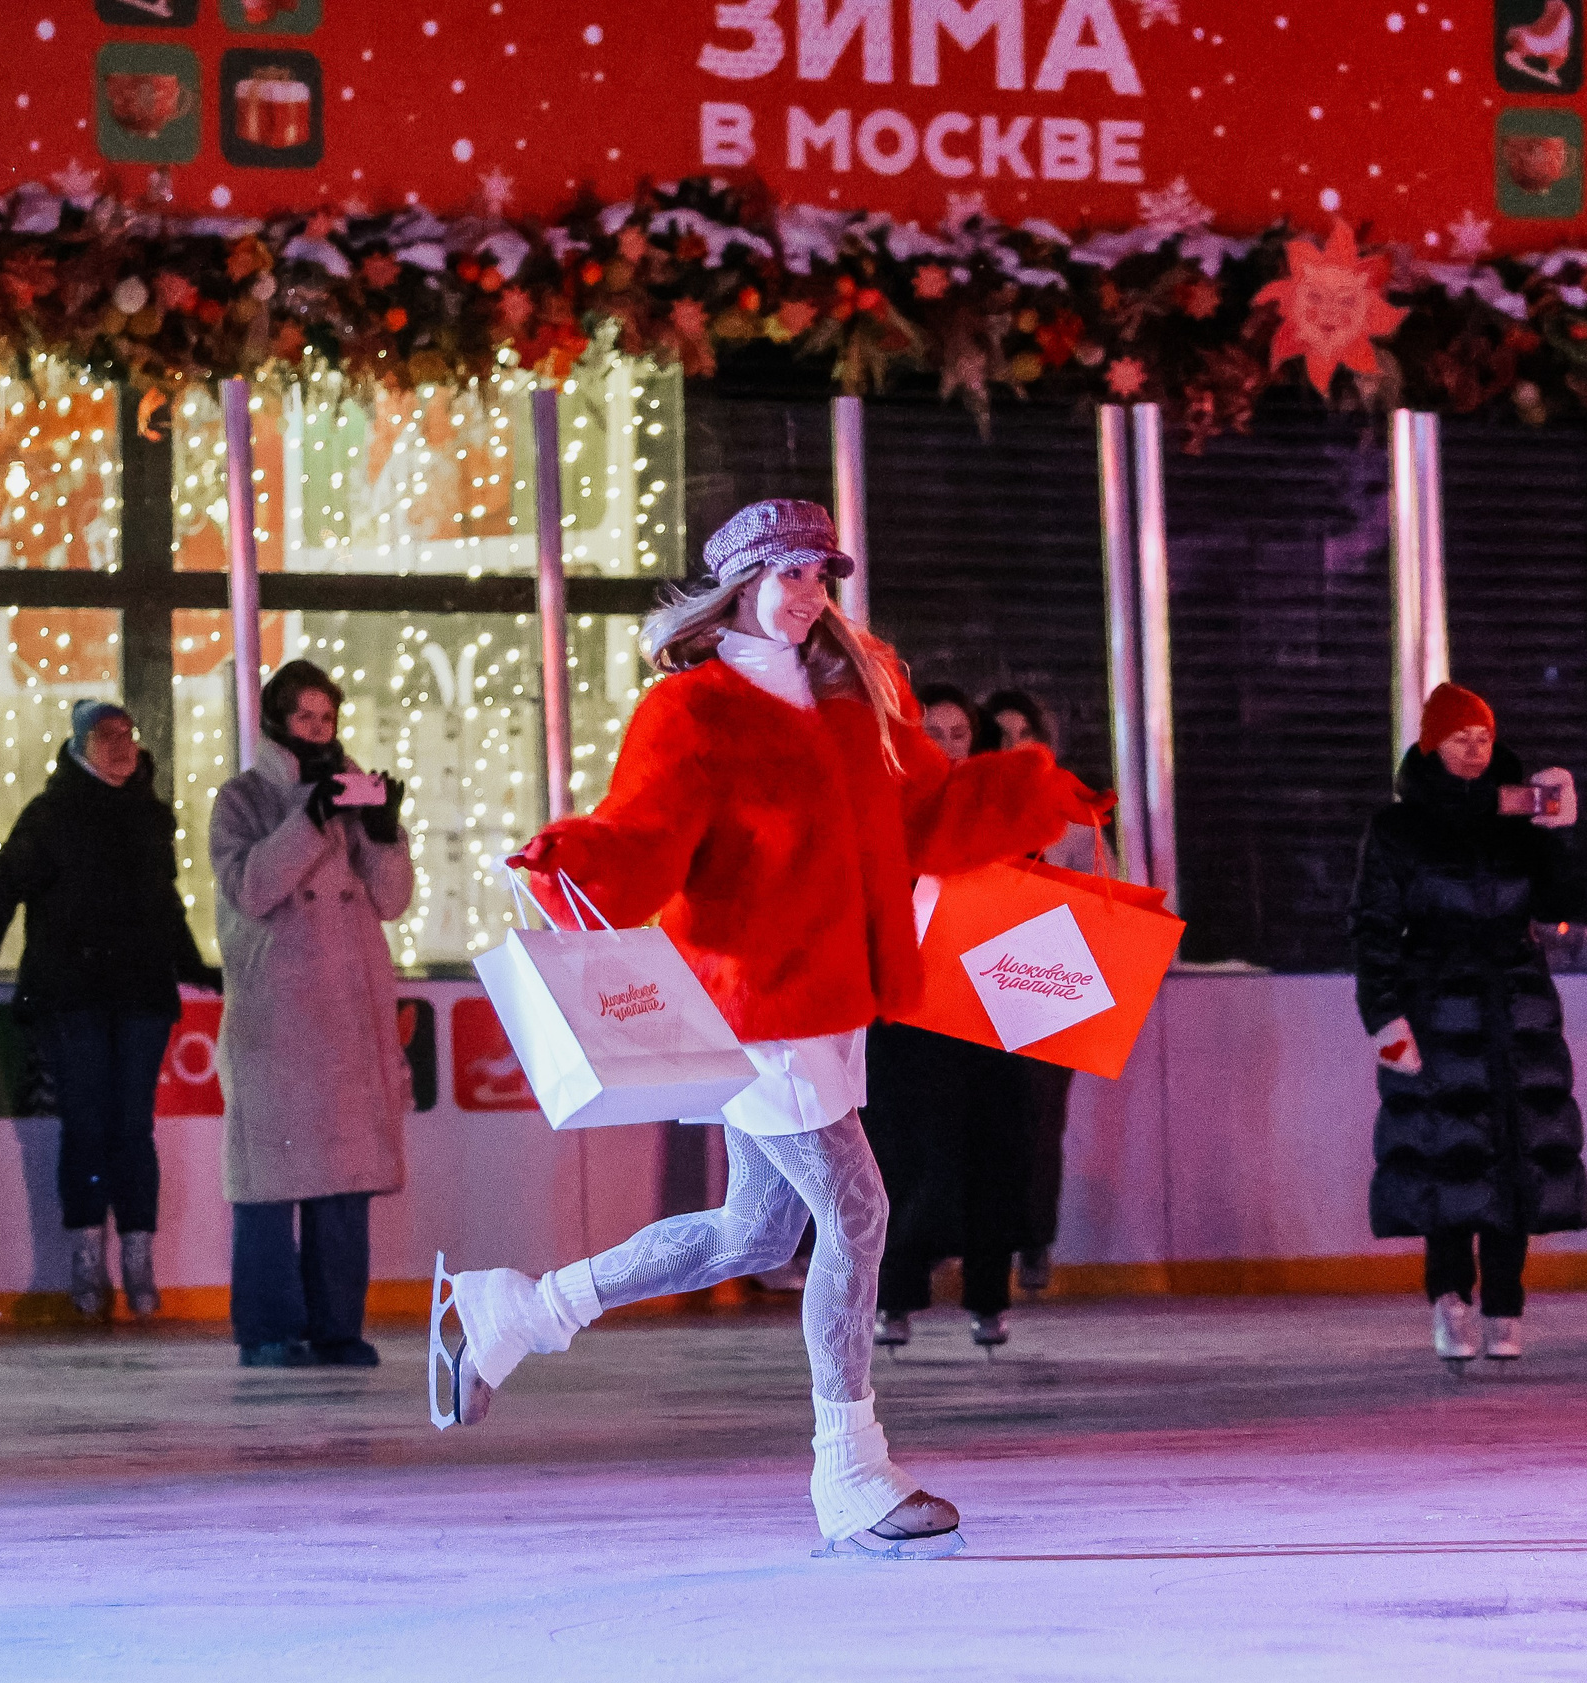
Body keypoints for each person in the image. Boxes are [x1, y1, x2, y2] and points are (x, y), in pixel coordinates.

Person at [431, 500, 1108, 1560]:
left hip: (833, 1003)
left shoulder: (851, 698)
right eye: (786, 571)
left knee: (754, 1234)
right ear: (738, 582)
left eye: (819, 573)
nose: (806, 592)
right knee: (857, 1216)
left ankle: (519, 1311)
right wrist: (578, 859)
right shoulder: (694, 711)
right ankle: (850, 1470)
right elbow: (643, 835)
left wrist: (1025, 793)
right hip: (755, 1005)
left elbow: (924, 819)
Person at [0, 700, 217, 1322]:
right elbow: (0, 890)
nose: (122, 746)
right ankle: (87, 1259)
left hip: (139, 996)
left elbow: (165, 905)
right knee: (85, 1124)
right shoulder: (51, 817)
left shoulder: (149, 817)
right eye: (107, 736)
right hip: (73, 997)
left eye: (128, 735)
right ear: (80, 745)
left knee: (132, 1127)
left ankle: (136, 1256)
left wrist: (191, 968)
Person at [1349, 682, 1585, 1363]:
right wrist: (1385, 1017)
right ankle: (1449, 1296)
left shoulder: (1518, 815)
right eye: (1460, 738)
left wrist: (1559, 833)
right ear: (1431, 744)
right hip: (1435, 1005)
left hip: (1515, 1006)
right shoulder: (1397, 828)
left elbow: (1564, 901)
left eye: (1484, 736)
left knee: (1515, 1157)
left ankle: (1505, 1304)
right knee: (1447, 1152)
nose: (1476, 750)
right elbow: (1372, 927)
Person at [209, 659, 414, 1369]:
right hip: (276, 1019)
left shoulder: (351, 792)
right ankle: (267, 1328)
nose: (318, 731)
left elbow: (390, 900)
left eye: (326, 718)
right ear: (275, 719)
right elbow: (253, 886)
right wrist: (309, 818)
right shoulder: (242, 797)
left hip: (348, 1019)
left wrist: (384, 829)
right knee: (270, 1182)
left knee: (344, 1185)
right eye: (305, 718)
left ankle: (336, 1326)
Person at [862, 683, 1034, 1351]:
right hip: (908, 1015)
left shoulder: (996, 809)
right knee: (910, 1159)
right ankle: (896, 1297)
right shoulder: (883, 807)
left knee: (996, 1154)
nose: (947, 745)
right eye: (933, 731)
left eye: (959, 733)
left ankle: (989, 1299)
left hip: (991, 1011)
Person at [979, 687, 1095, 1294]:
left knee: (1039, 1121)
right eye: (1001, 734)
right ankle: (975, 1245)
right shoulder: (967, 812)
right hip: (973, 983)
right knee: (977, 1123)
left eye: (1025, 734)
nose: (1014, 746)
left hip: (1048, 980)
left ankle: (1034, 1241)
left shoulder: (1071, 815)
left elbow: (1103, 895)